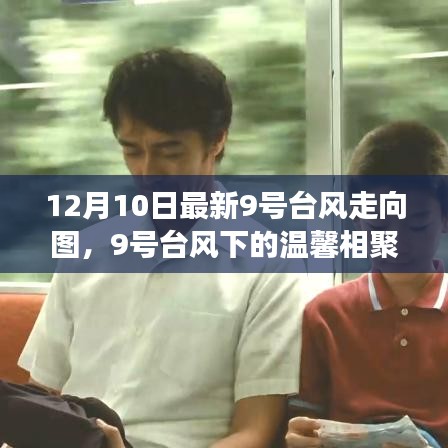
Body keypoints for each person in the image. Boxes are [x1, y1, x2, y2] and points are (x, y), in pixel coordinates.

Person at [18, 48, 302, 448]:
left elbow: (253, 433)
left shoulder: (268, 266)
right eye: (132, 150)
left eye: (170, 152)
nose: (149, 171)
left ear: (217, 140)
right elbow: (43, 396)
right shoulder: (87, 249)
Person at [286, 121, 448, 448]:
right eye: (378, 224)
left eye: (417, 224)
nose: (397, 241)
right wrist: (298, 437)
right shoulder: (326, 315)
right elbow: (299, 426)